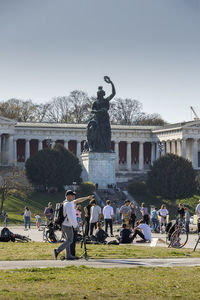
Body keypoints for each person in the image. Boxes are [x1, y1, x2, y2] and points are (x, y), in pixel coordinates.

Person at [54, 190, 94, 260]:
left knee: (68, 240)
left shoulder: (67, 203)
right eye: (72, 195)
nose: (73, 196)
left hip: (65, 224)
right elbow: (70, 216)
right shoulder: (68, 204)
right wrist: (75, 226)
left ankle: (68, 256)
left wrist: (87, 197)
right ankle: (57, 250)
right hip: (67, 225)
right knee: (70, 240)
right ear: (67, 196)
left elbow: (78, 200)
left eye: (73, 195)